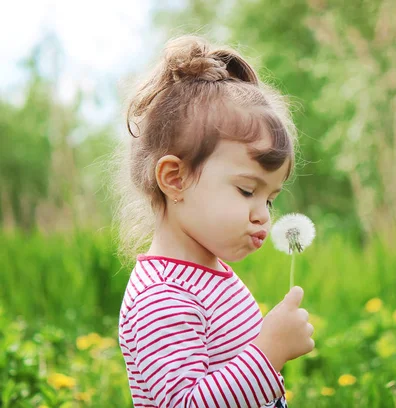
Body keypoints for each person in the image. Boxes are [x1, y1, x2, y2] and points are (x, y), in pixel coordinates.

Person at [114, 34, 315, 408]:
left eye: (270, 199)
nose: (262, 216)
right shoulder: (162, 298)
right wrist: (268, 352)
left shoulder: (206, 272)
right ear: (175, 178)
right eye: (246, 191)